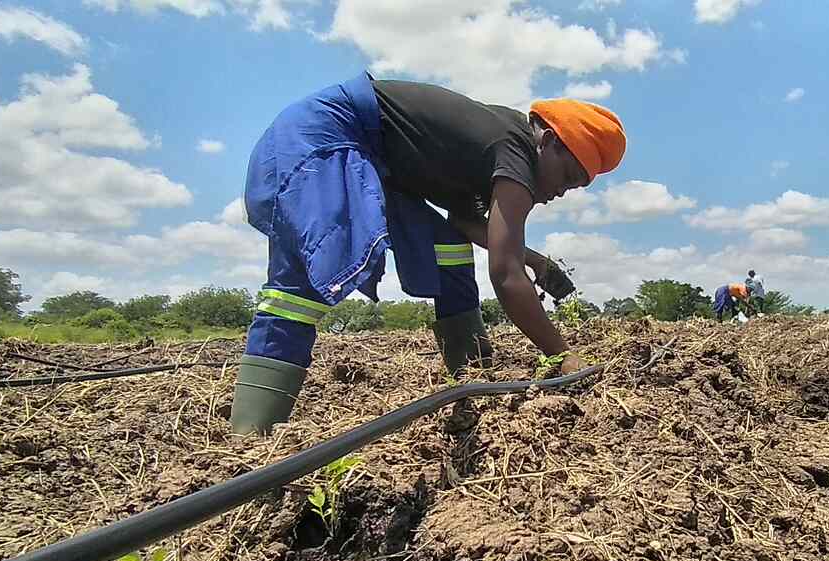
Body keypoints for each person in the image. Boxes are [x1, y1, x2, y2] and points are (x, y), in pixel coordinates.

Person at [230, 74, 624, 434]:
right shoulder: (515, 149)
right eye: (568, 177)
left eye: (575, 187)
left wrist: (536, 262)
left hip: (378, 159)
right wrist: (562, 356)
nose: (560, 193)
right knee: (304, 277)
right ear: (550, 141)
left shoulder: (505, 142)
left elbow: (462, 223)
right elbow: (504, 274)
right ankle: (251, 437)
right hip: (329, 132)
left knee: (448, 248)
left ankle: (472, 378)